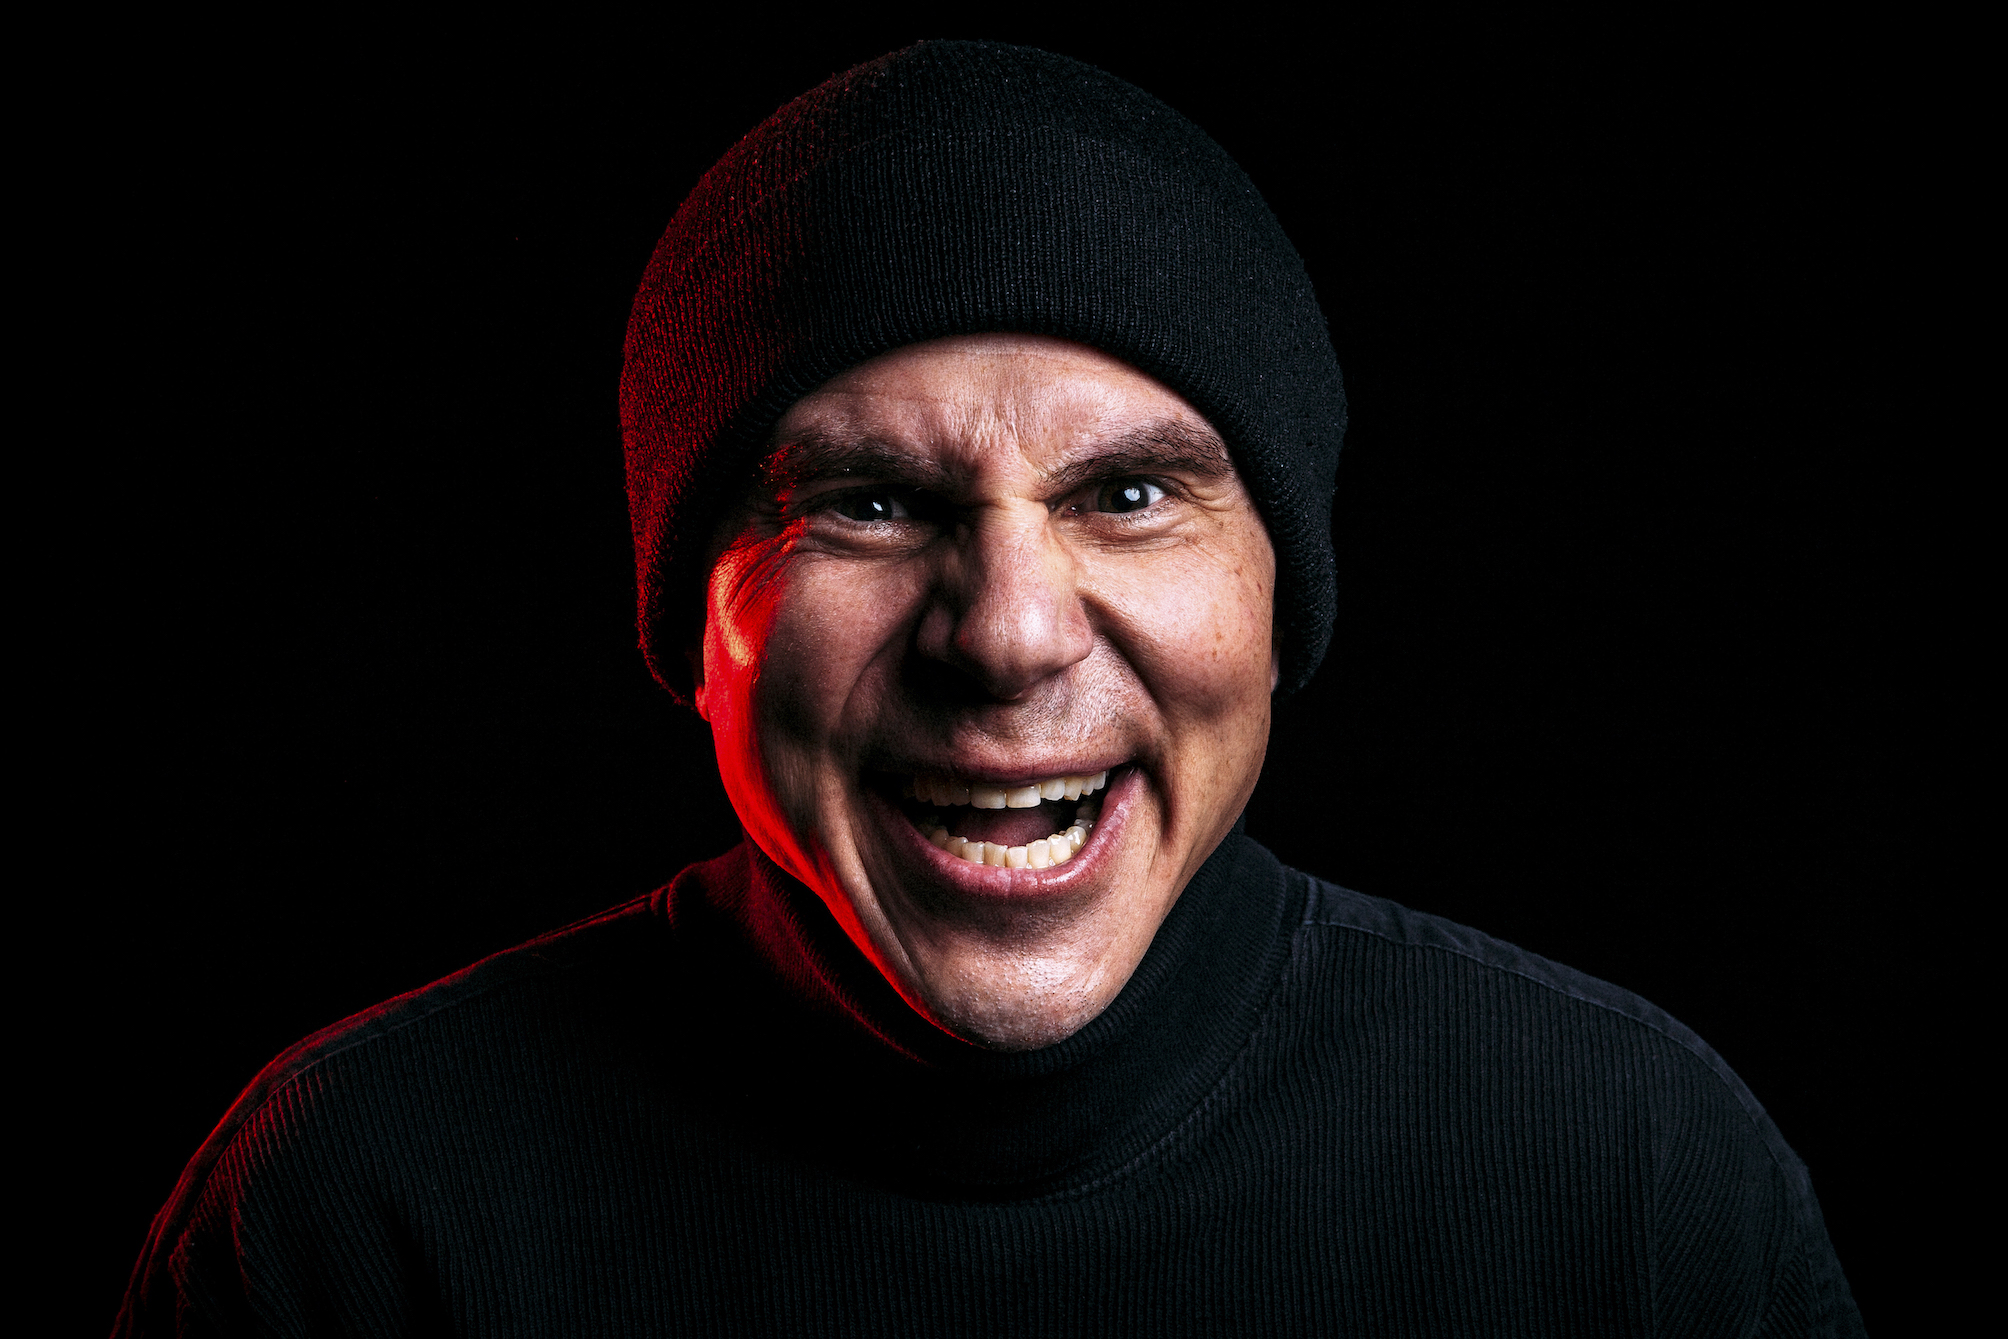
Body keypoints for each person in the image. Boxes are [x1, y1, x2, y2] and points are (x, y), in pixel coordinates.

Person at [118, 41, 1863, 1336]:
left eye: (1130, 494)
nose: (1010, 635)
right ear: (692, 619)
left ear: (1281, 599)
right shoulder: (357, 1218)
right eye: (872, 503)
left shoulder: (1625, 1182)